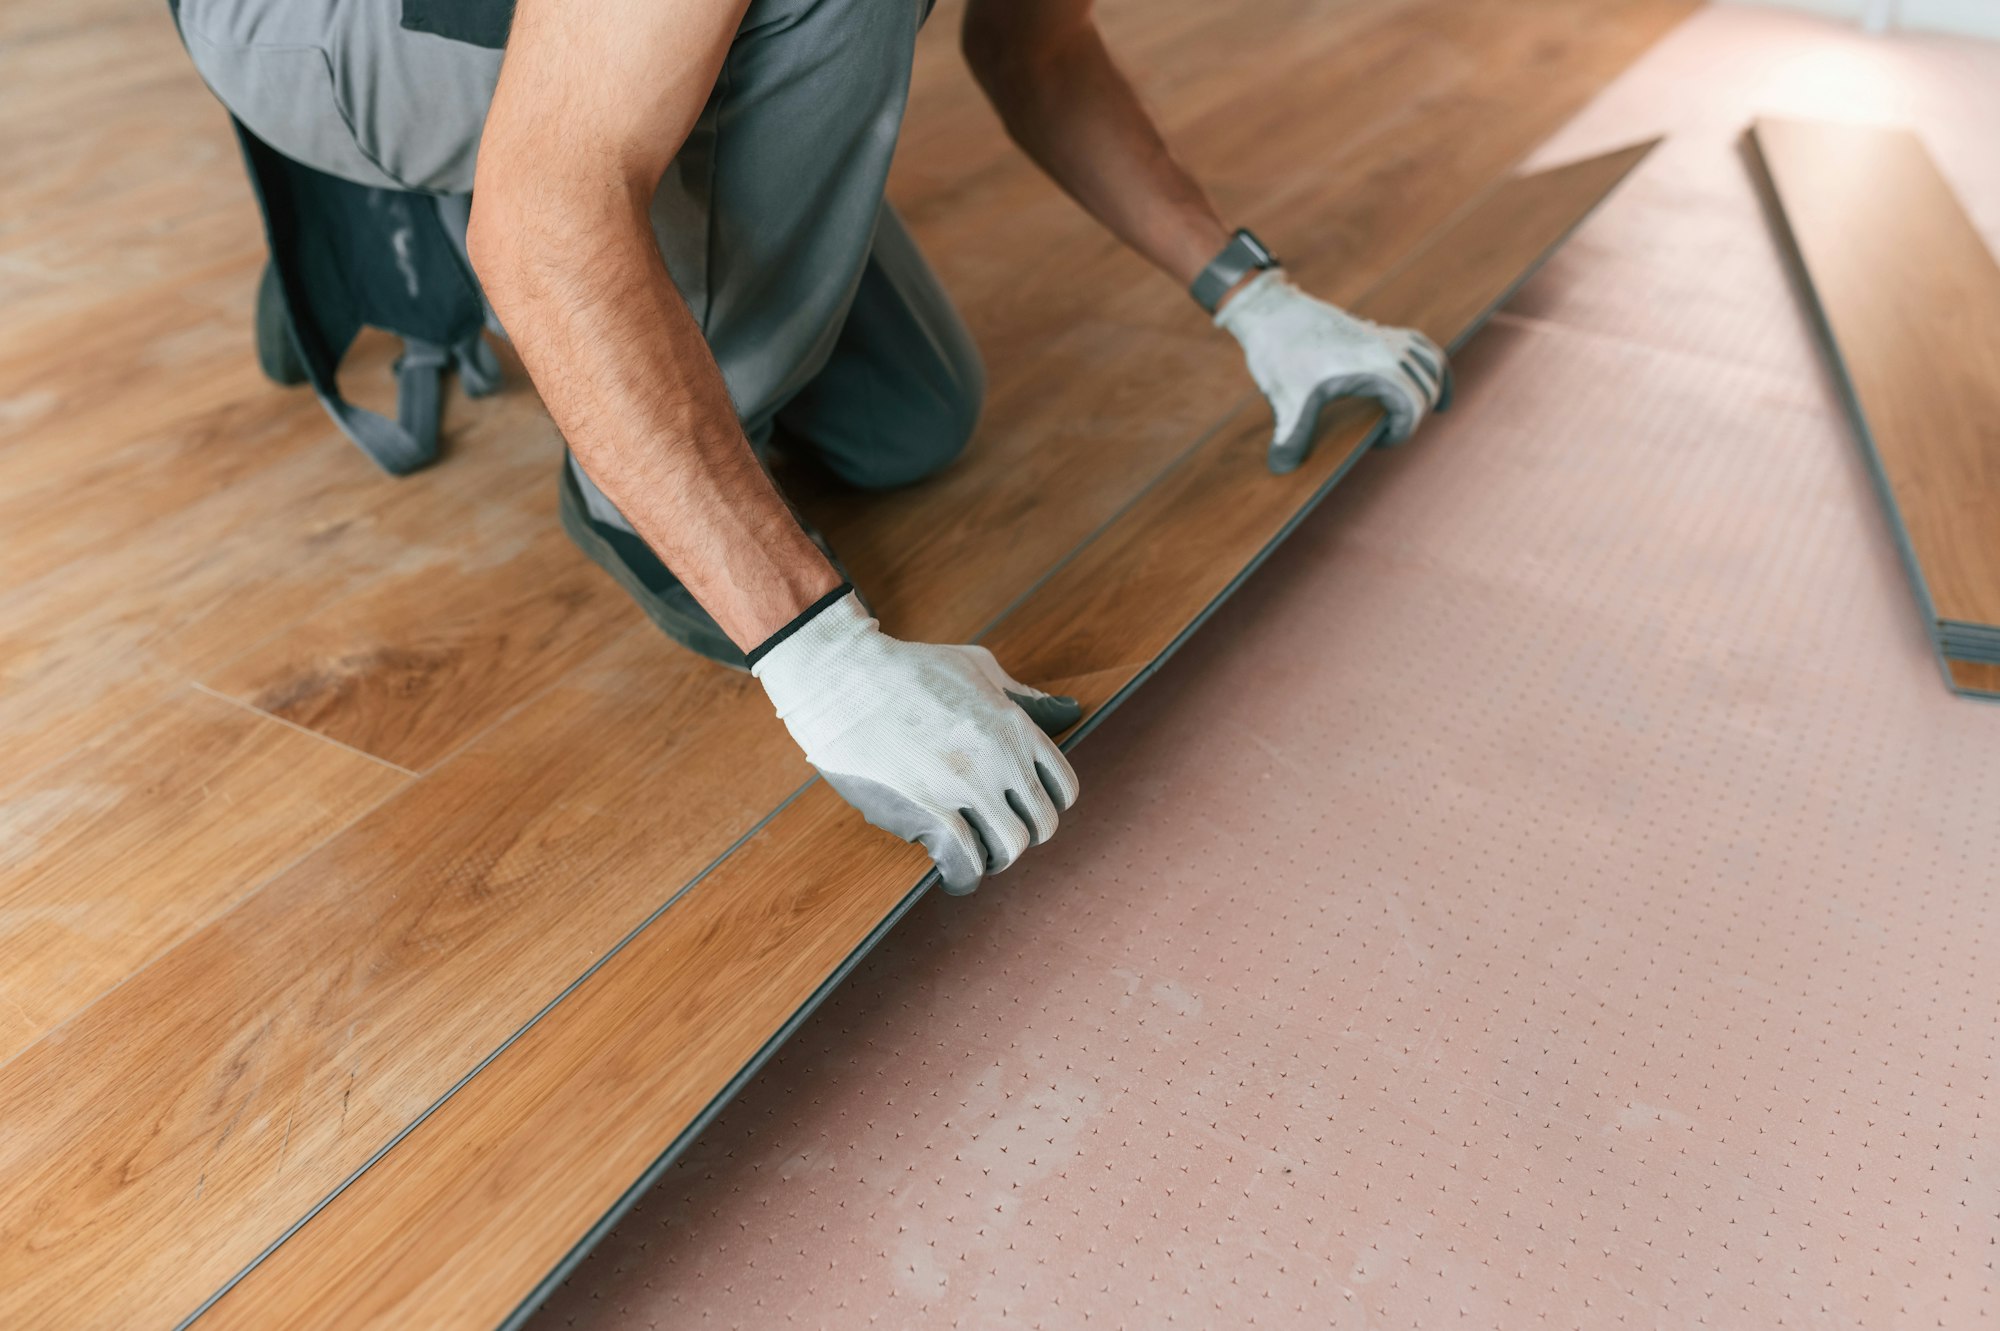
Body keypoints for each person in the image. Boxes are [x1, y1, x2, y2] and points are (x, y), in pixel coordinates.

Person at [178, 0, 1450, 895]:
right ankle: (582, 445)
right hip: (315, 23)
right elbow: (548, 214)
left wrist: (1253, 296)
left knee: (911, 423)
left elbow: (1039, 48)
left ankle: (535, 139)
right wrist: (821, 655)